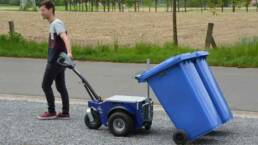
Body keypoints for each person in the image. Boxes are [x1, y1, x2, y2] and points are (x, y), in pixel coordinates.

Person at [37, 0, 73, 120]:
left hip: (56, 61)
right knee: (60, 86)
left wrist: (69, 53)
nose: (40, 12)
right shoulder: (53, 24)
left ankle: (51, 112)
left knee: (45, 85)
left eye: (43, 10)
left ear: (50, 10)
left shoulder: (56, 23)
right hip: (59, 60)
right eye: (40, 10)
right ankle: (65, 112)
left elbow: (65, 38)